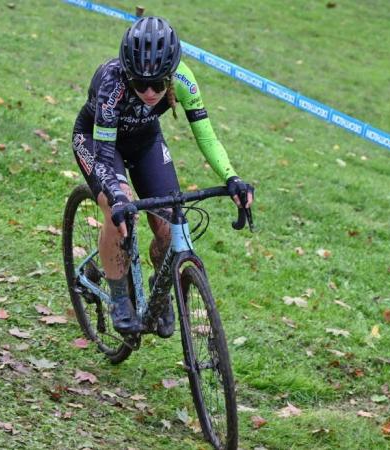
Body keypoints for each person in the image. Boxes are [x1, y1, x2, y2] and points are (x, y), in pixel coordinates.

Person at [71, 16, 254, 336]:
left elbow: (207, 137)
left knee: (172, 224)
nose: (151, 92)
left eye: (159, 83)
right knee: (120, 212)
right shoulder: (111, 82)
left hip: (145, 141)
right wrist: (115, 195)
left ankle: (159, 287)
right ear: (128, 73)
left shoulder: (183, 80)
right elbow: (102, 154)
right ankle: (118, 298)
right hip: (99, 142)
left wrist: (232, 178)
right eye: (140, 84)